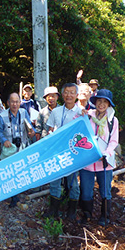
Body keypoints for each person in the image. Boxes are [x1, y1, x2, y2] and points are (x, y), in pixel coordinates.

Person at [79, 89, 119, 226]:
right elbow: (76, 127)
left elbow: (114, 141)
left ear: (109, 104)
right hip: (87, 161)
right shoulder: (88, 116)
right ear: (95, 102)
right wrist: (80, 113)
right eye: (99, 101)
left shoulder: (113, 120)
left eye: (105, 102)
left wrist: (106, 153)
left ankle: (105, 217)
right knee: (86, 192)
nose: (101, 104)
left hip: (105, 162)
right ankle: (87, 215)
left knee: (105, 191)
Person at [44, 83, 84, 220]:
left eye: (72, 92)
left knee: (73, 183)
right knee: (54, 181)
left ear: (77, 95)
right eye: (66, 92)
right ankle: (53, 210)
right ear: (63, 95)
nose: (69, 95)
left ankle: (71, 211)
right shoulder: (55, 112)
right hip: (56, 152)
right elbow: (49, 129)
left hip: (73, 153)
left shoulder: (81, 113)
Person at [0, 92, 35, 207]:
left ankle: (17, 192)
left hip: (22, 146)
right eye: (12, 101)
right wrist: (4, 140)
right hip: (8, 148)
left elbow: (30, 126)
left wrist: (32, 131)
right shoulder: (2, 116)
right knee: (9, 171)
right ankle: (12, 195)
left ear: (20, 102)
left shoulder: (24, 112)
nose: (15, 104)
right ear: (8, 103)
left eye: (17, 101)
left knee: (20, 169)